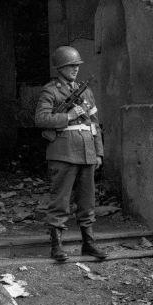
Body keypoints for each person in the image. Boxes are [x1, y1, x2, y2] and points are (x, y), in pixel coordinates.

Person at [34, 45, 108, 262]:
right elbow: (41, 119)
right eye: (70, 66)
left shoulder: (86, 91)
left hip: (87, 152)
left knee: (87, 201)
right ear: (60, 68)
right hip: (63, 152)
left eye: (77, 65)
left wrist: (99, 153)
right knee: (61, 201)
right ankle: (57, 246)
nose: (75, 69)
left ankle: (89, 244)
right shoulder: (51, 91)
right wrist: (68, 115)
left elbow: (94, 124)